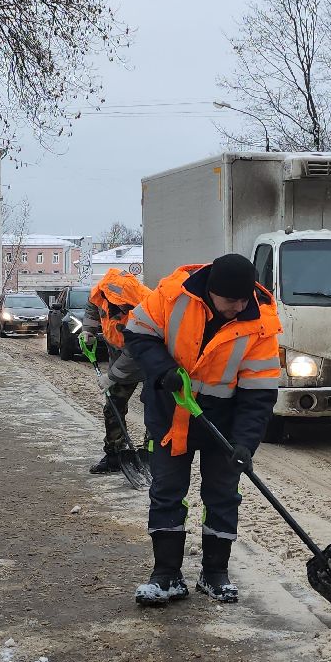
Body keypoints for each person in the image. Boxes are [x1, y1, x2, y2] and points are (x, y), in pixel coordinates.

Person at [123, 253, 281, 607]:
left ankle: (215, 574)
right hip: (170, 414)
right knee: (167, 492)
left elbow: (259, 394)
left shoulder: (261, 325)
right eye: (231, 300)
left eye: (244, 299)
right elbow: (136, 333)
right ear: (210, 290)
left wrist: (245, 443)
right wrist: (162, 369)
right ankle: (166, 575)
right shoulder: (172, 295)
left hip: (223, 423)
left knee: (223, 495)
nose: (238, 307)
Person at [82, 268, 152, 474]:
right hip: (118, 353)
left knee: (154, 407)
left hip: (149, 360)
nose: (123, 310)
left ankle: (152, 454)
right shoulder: (102, 293)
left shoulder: (147, 308)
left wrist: (111, 377)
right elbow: (92, 308)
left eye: (126, 306)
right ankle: (114, 454)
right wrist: (88, 330)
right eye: (121, 306)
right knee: (113, 406)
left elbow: (134, 353)